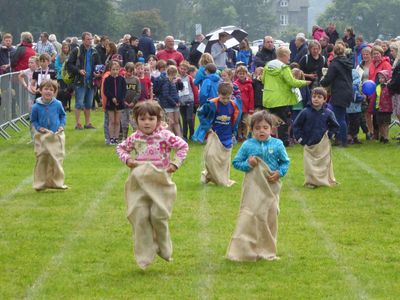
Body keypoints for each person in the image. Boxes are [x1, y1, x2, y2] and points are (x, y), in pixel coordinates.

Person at [116, 100, 188, 269]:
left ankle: (163, 247)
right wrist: (128, 160)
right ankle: (145, 255)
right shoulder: (135, 137)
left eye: (150, 119)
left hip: (160, 183)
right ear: (136, 120)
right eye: (142, 119)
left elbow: (183, 147)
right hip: (140, 184)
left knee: (158, 216)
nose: (146, 122)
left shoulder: (165, 135)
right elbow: (120, 148)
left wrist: (175, 163)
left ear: (158, 119)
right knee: (139, 216)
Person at [227, 110, 289, 261]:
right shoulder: (248, 145)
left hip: (271, 186)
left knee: (270, 215)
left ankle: (268, 249)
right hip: (253, 187)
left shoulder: (278, 144)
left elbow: (285, 162)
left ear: (271, 129)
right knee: (252, 215)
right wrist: (248, 163)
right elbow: (236, 162)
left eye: (265, 128)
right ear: (251, 129)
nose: (261, 131)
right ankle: (247, 247)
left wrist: (279, 173)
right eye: (257, 128)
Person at [193, 82, 241, 186]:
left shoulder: (233, 106)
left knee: (224, 160)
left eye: (228, 98)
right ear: (218, 93)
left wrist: (234, 132)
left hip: (227, 136)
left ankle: (220, 178)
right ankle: (209, 174)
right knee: (210, 156)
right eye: (223, 98)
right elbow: (201, 113)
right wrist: (207, 128)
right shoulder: (212, 104)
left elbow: (235, 119)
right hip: (214, 135)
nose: (225, 100)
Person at [262, 46, 311, 147]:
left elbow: (263, 80)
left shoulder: (268, 65)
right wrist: (305, 82)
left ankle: (269, 139)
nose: (289, 57)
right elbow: (292, 81)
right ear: (284, 55)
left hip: (268, 97)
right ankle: (283, 142)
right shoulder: (284, 67)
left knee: (270, 120)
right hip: (280, 99)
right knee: (283, 121)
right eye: (289, 55)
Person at [292, 87, 339, 188]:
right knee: (309, 165)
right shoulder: (305, 112)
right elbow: (296, 125)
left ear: (324, 99)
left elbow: (335, 126)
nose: (316, 99)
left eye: (319, 97)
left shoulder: (328, 113)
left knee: (324, 163)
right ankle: (311, 182)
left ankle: (325, 180)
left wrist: (330, 135)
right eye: (314, 96)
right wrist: (300, 139)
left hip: (323, 144)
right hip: (309, 143)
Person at [30, 80, 67, 191]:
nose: (48, 91)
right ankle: (39, 184)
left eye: (51, 90)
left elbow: (62, 116)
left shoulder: (58, 104)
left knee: (56, 159)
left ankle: (57, 183)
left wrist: (61, 126)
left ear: (55, 92)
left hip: (56, 135)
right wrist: (38, 127)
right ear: (40, 91)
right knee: (42, 158)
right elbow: (33, 120)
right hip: (42, 135)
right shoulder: (36, 106)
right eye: (46, 89)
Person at [320, 43, 353, 147]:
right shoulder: (347, 62)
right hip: (347, 90)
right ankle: (339, 138)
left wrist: (321, 82)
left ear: (334, 52)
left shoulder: (335, 63)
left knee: (339, 117)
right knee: (339, 115)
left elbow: (328, 78)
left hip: (339, 92)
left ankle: (343, 141)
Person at [67, 32, 100, 130]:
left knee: (89, 104)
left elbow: (98, 65)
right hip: (80, 81)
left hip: (91, 81)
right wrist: (78, 70)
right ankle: (78, 124)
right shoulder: (77, 50)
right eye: (88, 39)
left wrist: (98, 73)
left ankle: (88, 123)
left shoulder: (94, 51)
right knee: (79, 103)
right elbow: (69, 64)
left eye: (91, 39)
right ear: (83, 40)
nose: (90, 41)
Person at [103, 61, 127, 144]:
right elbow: (106, 91)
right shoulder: (107, 79)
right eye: (113, 69)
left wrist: (119, 99)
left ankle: (116, 138)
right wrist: (112, 98)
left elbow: (124, 91)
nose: (115, 71)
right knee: (112, 121)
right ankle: (111, 137)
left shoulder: (122, 79)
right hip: (110, 102)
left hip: (120, 103)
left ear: (119, 70)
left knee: (117, 121)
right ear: (110, 69)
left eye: (117, 69)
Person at [158, 65, 181, 137]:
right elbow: (166, 95)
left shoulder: (174, 82)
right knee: (171, 122)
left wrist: (179, 82)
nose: (174, 75)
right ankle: (169, 138)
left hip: (176, 103)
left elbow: (179, 90)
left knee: (177, 122)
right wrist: (174, 103)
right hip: (168, 105)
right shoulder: (166, 82)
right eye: (173, 74)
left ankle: (179, 137)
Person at [178, 60, 198, 141]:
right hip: (181, 101)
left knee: (190, 118)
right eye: (182, 69)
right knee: (184, 119)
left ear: (187, 70)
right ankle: (185, 136)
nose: (183, 70)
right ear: (179, 68)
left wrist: (196, 101)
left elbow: (194, 89)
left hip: (189, 100)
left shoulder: (189, 78)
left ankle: (192, 134)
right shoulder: (177, 78)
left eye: (185, 69)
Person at [121, 62, 141, 140]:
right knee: (124, 121)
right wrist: (124, 101)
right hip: (124, 105)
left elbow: (138, 92)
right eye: (127, 71)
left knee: (133, 122)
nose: (129, 73)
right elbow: (120, 92)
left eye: (131, 71)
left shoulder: (136, 80)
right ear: (125, 70)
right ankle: (124, 137)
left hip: (133, 105)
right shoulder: (122, 79)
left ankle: (135, 138)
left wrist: (133, 101)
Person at [372, 70, 392, 143]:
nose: (380, 79)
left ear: (386, 78)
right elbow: (376, 97)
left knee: (386, 123)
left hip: (387, 108)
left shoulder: (389, 87)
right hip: (379, 108)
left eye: (382, 78)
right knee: (380, 123)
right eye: (379, 78)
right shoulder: (377, 87)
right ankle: (382, 136)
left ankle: (386, 137)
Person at [234, 65, 254, 141]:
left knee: (245, 122)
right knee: (238, 121)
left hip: (247, 107)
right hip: (238, 107)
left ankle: (245, 135)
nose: (241, 75)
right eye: (240, 73)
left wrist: (251, 108)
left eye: (243, 73)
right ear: (237, 74)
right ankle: (239, 135)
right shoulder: (235, 84)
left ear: (246, 74)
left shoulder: (249, 84)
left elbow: (251, 97)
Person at [346, 70, 366, 144]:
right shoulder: (354, 86)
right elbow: (355, 98)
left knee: (353, 124)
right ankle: (350, 138)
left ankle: (354, 137)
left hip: (350, 108)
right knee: (354, 124)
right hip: (354, 109)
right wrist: (363, 97)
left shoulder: (348, 84)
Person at [54, 42, 72, 111]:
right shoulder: (59, 56)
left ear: (69, 48)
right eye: (64, 48)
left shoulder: (71, 56)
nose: (65, 49)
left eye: (66, 48)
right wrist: (62, 70)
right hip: (61, 77)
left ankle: (67, 105)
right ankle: (64, 105)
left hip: (69, 77)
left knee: (68, 92)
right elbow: (56, 65)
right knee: (63, 92)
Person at [388, 41, 400, 140]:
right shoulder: (396, 61)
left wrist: (389, 84)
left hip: (398, 90)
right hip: (396, 90)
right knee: (397, 112)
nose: (390, 52)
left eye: (392, 50)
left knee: (399, 112)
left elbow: (398, 78)